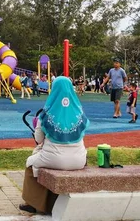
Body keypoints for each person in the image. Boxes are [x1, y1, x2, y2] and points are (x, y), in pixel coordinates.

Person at [19, 76, 89, 214]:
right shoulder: (80, 113)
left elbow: (39, 139)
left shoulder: (46, 115)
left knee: (30, 164)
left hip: (53, 159)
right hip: (78, 160)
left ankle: (33, 203)